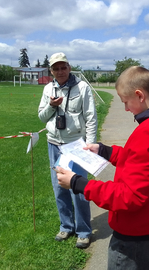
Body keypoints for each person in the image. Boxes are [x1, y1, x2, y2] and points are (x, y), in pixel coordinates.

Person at [56, 66, 149, 270]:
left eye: (125, 102)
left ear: (139, 95)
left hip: (134, 239)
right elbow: (142, 163)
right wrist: (105, 151)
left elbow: (130, 197)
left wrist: (77, 183)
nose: (126, 109)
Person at [38, 52, 97, 249]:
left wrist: (90, 145)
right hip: (54, 144)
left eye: (63, 67)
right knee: (59, 188)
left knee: (79, 189)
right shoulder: (48, 88)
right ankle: (66, 226)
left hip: (76, 145)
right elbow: (42, 117)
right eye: (56, 68)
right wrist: (51, 106)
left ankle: (83, 231)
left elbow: (90, 117)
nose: (60, 71)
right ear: (51, 71)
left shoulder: (82, 88)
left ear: (69, 67)